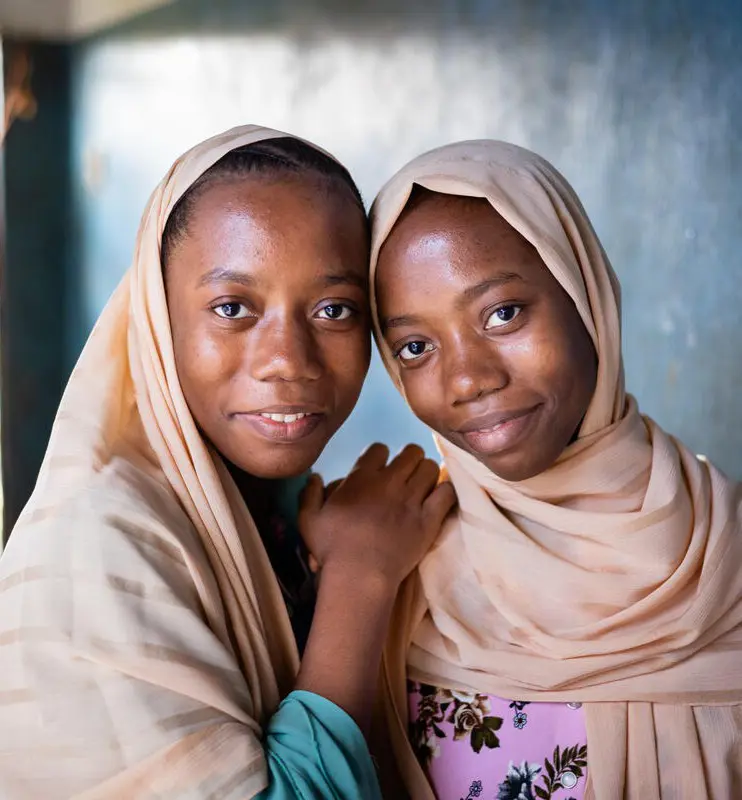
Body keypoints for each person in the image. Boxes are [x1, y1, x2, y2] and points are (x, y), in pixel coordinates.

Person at [0, 125, 455, 799]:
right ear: (159, 321)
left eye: (334, 309)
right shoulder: (99, 548)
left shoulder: (279, 516)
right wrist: (360, 579)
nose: (288, 360)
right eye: (233, 307)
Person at [370, 140, 742, 800]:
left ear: (585, 292)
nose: (468, 379)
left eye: (502, 313)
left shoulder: (727, 556)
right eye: (416, 347)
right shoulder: (393, 578)